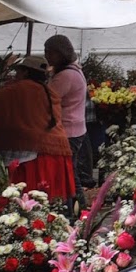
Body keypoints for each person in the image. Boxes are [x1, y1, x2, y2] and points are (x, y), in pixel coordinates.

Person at [0, 61, 76, 204]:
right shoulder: (47, 90)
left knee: (25, 201)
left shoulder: (19, 89)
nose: (16, 75)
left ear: (26, 72)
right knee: (50, 204)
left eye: (18, 72)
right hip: (56, 150)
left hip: (32, 152)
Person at [42, 35, 94, 192]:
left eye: (50, 52)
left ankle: (77, 208)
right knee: (71, 172)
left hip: (67, 130)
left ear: (61, 53)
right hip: (75, 129)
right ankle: (77, 208)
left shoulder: (65, 75)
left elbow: (46, 101)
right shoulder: (74, 70)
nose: (47, 56)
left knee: (68, 173)